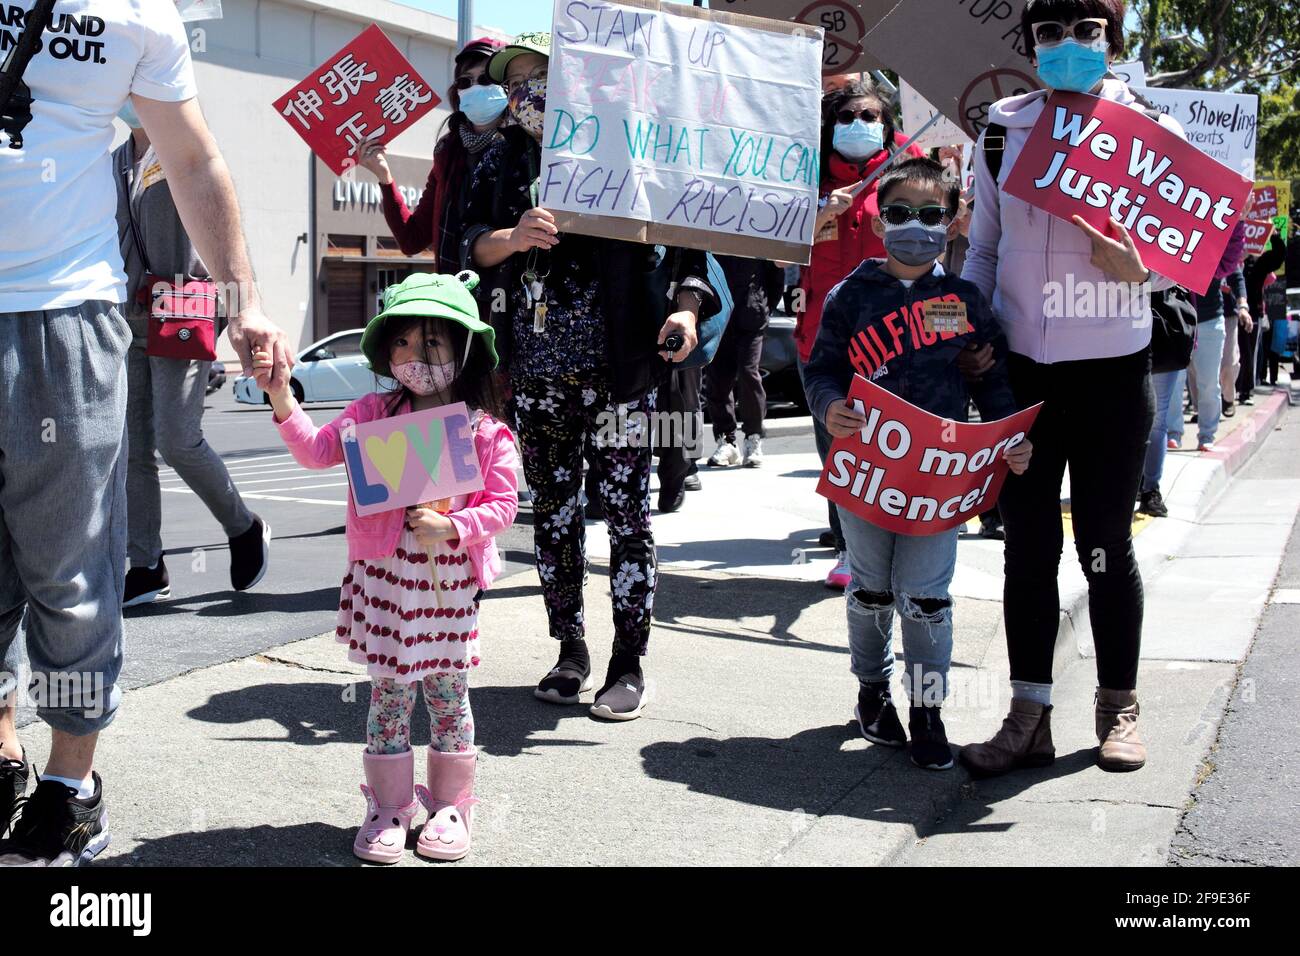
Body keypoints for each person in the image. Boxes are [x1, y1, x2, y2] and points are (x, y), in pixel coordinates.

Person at [0, 0, 290, 867]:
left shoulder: (134, 11)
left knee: (71, 569)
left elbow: (194, 157)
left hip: (64, 314)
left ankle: (69, 786)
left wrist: (244, 304)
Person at [959, 0, 1187, 777]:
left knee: (1103, 546)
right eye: (1051, 33)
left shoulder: (1152, 133)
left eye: (1086, 31)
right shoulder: (1000, 130)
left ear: (1111, 41)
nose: (1068, 47)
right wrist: (967, 333)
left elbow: (1186, 249)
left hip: (1114, 371)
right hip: (1022, 371)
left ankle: (1117, 707)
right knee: (1026, 549)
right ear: (1029, 45)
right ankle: (1029, 716)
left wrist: (1143, 271)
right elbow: (983, 249)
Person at [461, 34, 716, 721]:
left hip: (622, 373)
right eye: (516, 86)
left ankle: (628, 661)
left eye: (540, 79)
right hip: (537, 372)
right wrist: (511, 238)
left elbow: (693, 247)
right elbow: (468, 245)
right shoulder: (500, 162)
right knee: (556, 514)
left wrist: (686, 313)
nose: (527, 96)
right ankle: (569, 648)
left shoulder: (636, 154)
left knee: (628, 516)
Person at [262, 272, 517, 863]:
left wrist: (454, 526)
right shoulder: (373, 412)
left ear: (463, 349)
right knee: (388, 695)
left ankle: (452, 806)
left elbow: (502, 505)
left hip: (447, 592)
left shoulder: (485, 431)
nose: (415, 357)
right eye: (402, 343)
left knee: (449, 696)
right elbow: (315, 451)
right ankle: (388, 806)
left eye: (432, 344)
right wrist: (282, 397)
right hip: (383, 585)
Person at [803, 157, 1032, 770]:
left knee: (928, 597)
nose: (916, 226)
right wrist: (828, 409)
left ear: (953, 222)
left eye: (931, 215)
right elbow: (820, 369)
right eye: (900, 212)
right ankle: (872, 692)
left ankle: (928, 709)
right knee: (871, 591)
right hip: (867, 469)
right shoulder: (849, 295)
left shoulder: (965, 299)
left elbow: (995, 382)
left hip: (939, 477)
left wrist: (1009, 436)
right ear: (879, 221)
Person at [114, 105, 270, 607]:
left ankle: (243, 525)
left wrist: (239, 306)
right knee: (133, 451)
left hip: (180, 311)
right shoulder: (113, 160)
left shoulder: (185, 151)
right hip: (125, 318)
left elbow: (217, 227)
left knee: (177, 440)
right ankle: (146, 565)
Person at [797, 78, 925, 590]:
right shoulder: (802, 174)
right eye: (848, 117)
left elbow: (941, 232)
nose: (861, 125)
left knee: (893, 447)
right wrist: (814, 215)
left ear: (888, 123)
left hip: (896, 335)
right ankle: (852, 546)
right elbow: (766, 239)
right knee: (838, 446)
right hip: (823, 335)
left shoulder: (910, 166)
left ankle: (897, 546)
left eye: (872, 116)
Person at [358, 37, 506, 269]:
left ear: (508, 85)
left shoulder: (526, 147)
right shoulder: (447, 154)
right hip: (455, 299)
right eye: (465, 82)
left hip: (510, 297)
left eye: (486, 79)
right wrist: (384, 176)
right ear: (457, 92)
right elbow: (412, 239)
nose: (475, 87)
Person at [704, 256, 785, 470]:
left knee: (749, 374)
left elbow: (775, 273)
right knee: (718, 379)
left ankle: (753, 437)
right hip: (718, 314)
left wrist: (764, 308)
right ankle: (726, 439)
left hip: (751, 314)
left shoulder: (757, 232)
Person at [1176, 232, 1245, 450]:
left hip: (1210, 321)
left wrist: (1239, 223)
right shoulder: (1173, 239)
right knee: (1175, 383)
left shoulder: (1215, 244)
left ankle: (1207, 435)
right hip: (1178, 320)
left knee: (1208, 382)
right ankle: (1173, 433)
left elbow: (1232, 268)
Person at [1239, 231, 1287, 404]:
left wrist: (1273, 234)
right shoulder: (1227, 257)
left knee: (1249, 352)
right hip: (1227, 312)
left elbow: (1279, 255)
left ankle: (1245, 391)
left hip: (1252, 314)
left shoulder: (1257, 263)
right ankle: (1227, 392)